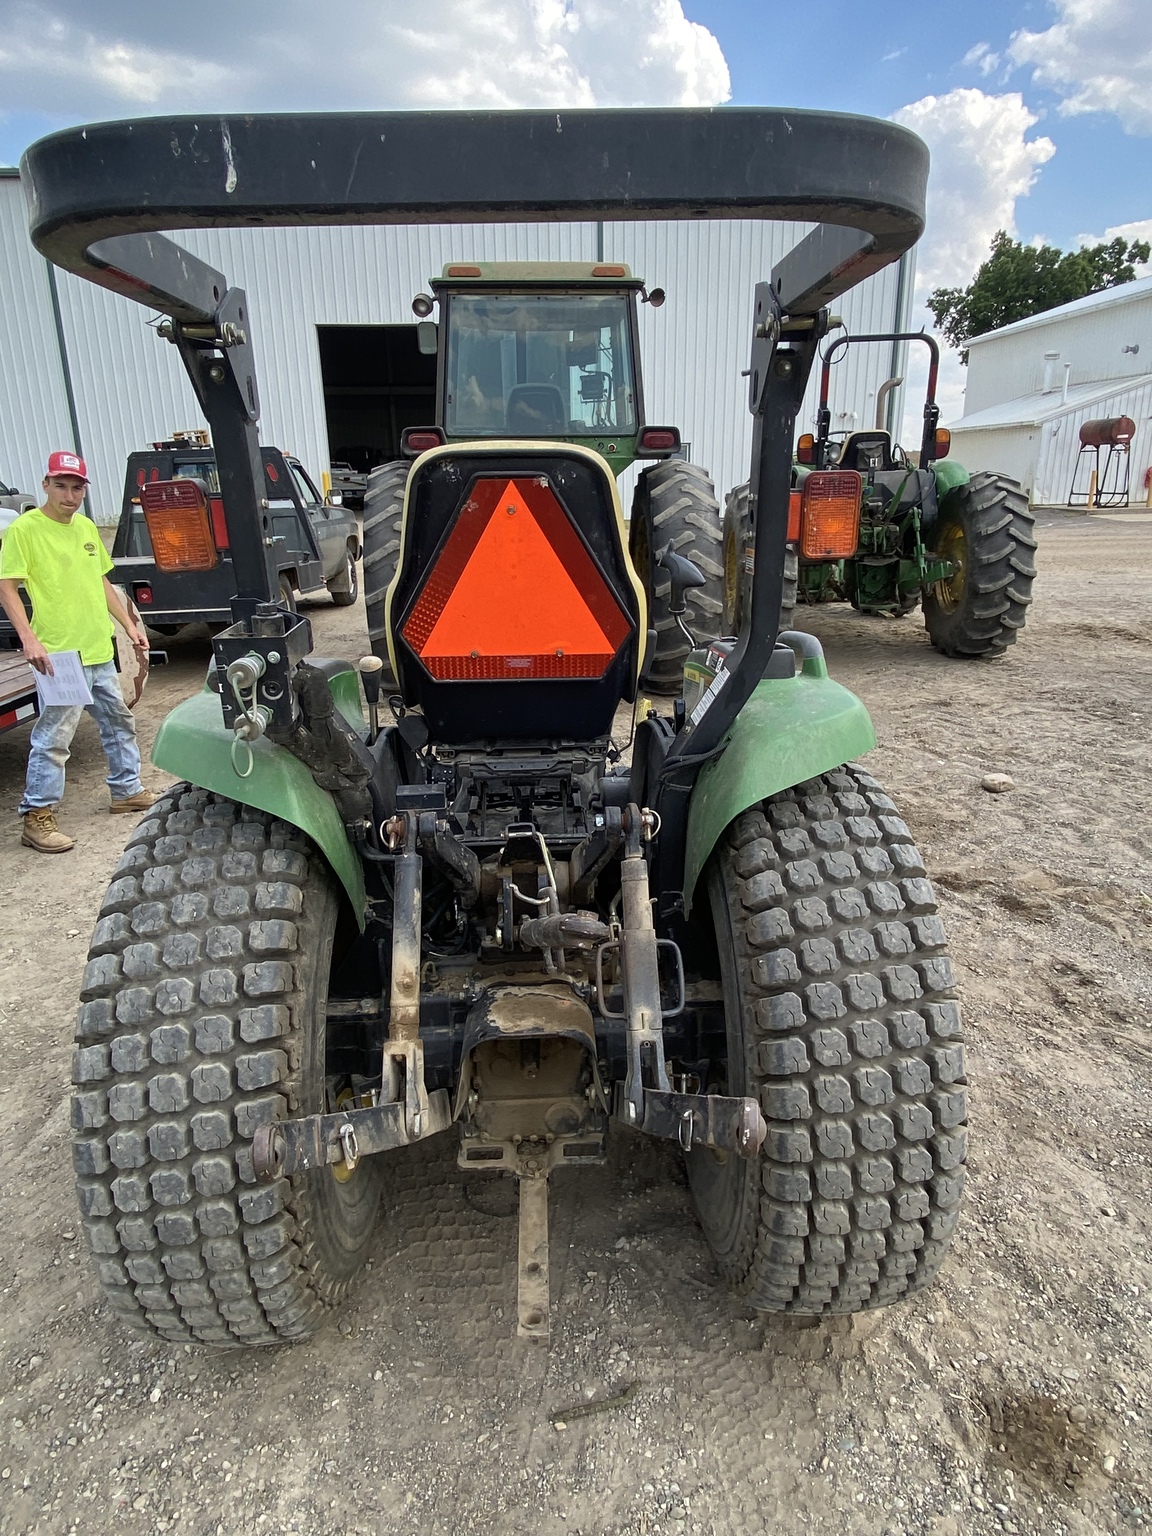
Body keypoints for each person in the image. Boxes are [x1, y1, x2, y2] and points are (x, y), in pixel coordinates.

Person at [0, 450, 154, 853]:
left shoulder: (85, 527)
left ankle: (126, 790)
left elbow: (101, 582)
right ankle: (37, 817)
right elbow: (7, 587)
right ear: (46, 485)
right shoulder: (25, 530)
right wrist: (29, 639)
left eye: (76, 487)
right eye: (61, 486)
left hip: (97, 647)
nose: (69, 495)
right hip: (59, 655)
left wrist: (129, 625)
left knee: (118, 719)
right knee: (55, 736)